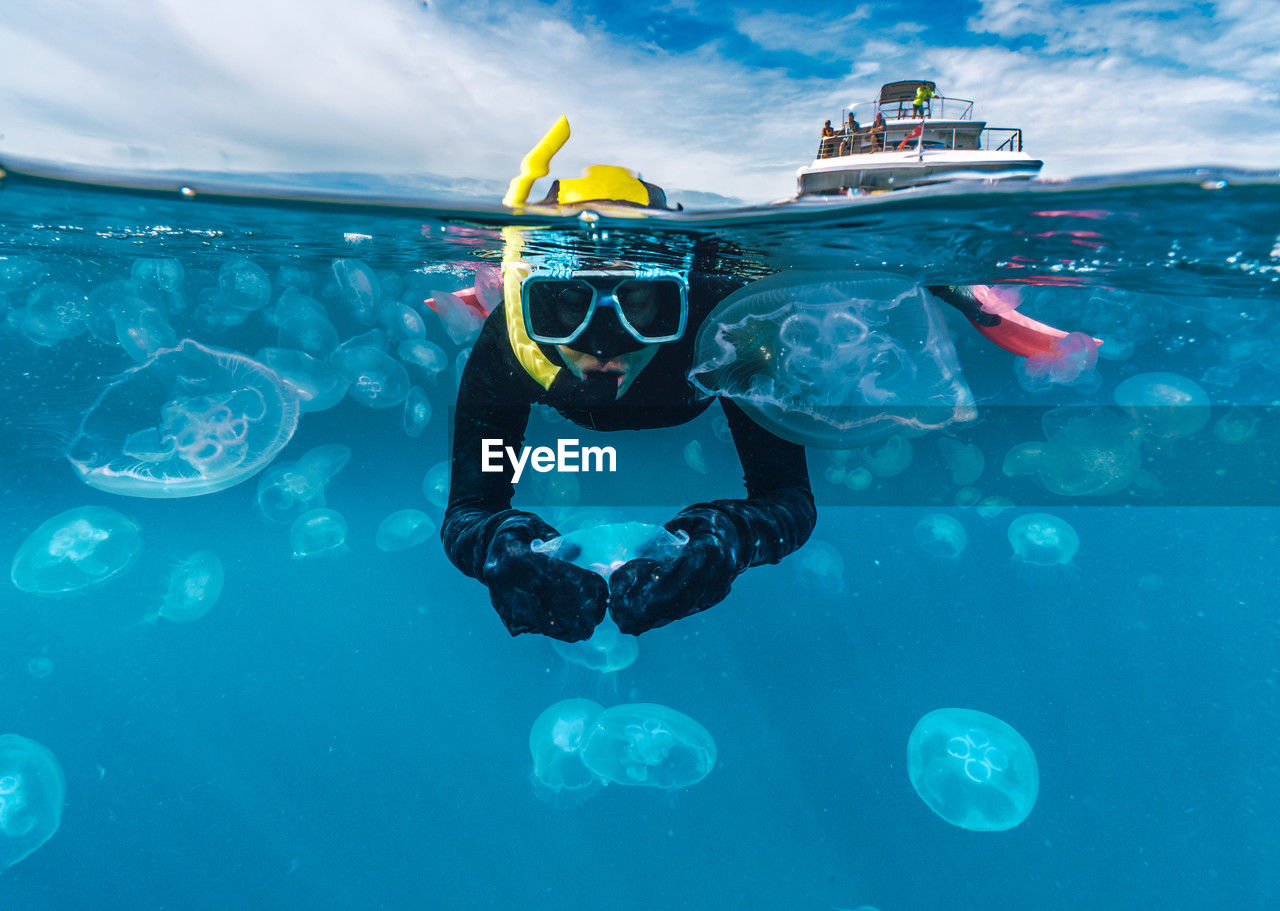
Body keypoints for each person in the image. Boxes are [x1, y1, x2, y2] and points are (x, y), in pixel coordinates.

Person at [442, 122, 816, 644]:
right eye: (568, 303)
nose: (603, 345)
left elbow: (789, 496)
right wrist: (501, 548)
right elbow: (472, 508)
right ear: (534, 303)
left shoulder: (729, 330)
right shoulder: (509, 345)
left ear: (681, 298)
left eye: (641, 303)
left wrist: (726, 539)